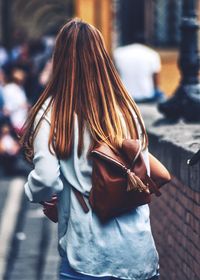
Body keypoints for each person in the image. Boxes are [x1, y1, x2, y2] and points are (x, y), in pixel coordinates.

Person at [21, 18, 159, 280]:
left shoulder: (51, 111)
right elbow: (143, 169)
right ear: (101, 56)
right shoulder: (126, 107)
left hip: (88, 257)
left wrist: (33, 191)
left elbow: (47, 179)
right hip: (139, 254)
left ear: (59, 58)